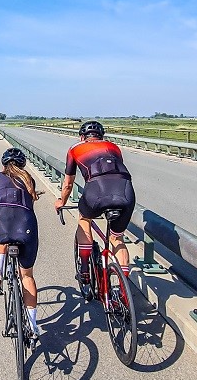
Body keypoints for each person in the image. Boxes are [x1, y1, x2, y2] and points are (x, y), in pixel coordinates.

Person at [53, 121, 136, 287]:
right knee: (117, 238)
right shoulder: (114, 147)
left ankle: (84, 270)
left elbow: (68, 183)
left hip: (95, 191)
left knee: (84, 220)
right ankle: (123, 290)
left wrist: (62, 201)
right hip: (126, 192)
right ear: (102, 136)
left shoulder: (75, 148)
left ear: (82, 137)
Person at [0, 147, 43, 335]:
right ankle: (33, 326)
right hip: (25, 227)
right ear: (22, 164)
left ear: (3, 164)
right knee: (27, 276)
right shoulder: (28, 179)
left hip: (1, 225)